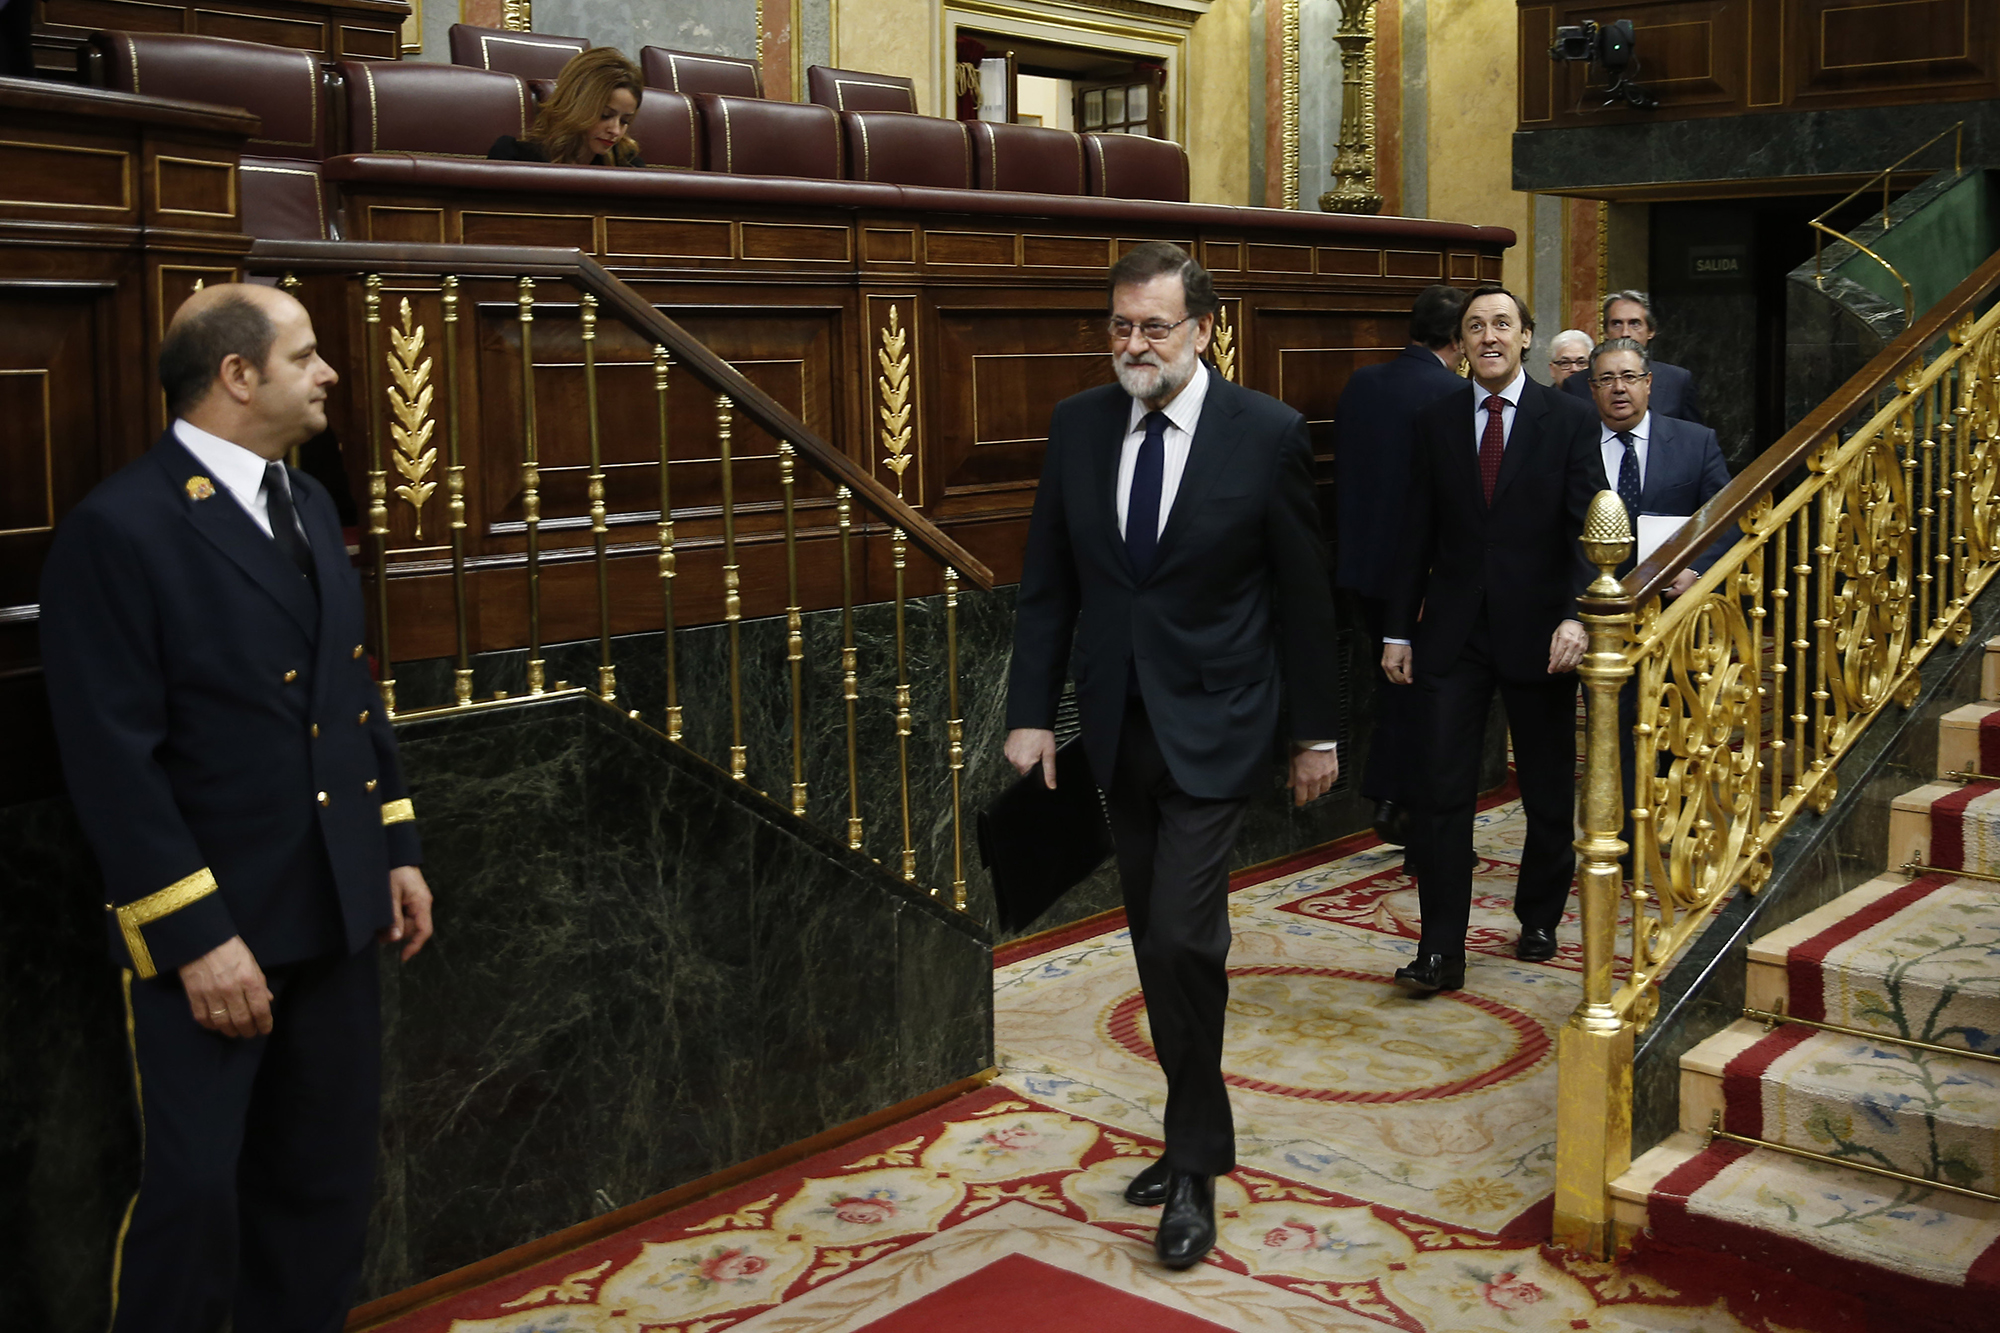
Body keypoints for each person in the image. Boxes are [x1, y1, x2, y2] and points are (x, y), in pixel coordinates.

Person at [38, 282, 435, 1333]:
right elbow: (113, 760)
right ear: (237, 375)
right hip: (219, 938)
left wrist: (392, 843)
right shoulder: (118, 528)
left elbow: (348, 687)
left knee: (323, 1187)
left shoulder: (305, 502)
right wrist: (196, 936)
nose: (330, 374)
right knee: (195, 1197)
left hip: (339, 901)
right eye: (306, 355)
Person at [1004, 242, 1339, 1269]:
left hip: (1219, 721)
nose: (1133, 344)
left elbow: (1300, 596)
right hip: (1115, 726)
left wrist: (1314, 731)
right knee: (1153, 941)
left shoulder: (1267, 433)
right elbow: (1049, 583)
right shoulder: (1077, 425)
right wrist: (1029, 714)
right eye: (1119, 325)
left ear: (1203, 329)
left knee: (1188, 935)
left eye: (1153, 325)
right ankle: (1192, 1127)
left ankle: (1191, 1167)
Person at [1382, 284, 1605, 992]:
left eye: (1502, 324)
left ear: (1526, 337)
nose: (1488, 336)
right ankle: (1440, 949)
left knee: (1544, 787)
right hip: (1452, 636)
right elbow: (1411, 529)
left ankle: (1538, 913)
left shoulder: (1567, 419)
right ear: (1464, 341)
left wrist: (1577, 614)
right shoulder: (1434, 418)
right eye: (1475, 326)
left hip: (1542, 634)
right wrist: (1397, 628)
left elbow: (1589, 528)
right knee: (1442, 790)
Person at [1589, 335, 1732, 864]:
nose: (1618, 389)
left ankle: (1679, 838)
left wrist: (1696, 569)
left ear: (1649, 384)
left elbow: (1727, 517)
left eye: (1628, 377)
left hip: (1677, 619)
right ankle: (1623, 846)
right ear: (1593, 390)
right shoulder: (1573, 442)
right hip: (1603, 619)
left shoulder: (1694, 441)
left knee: (1676, 729)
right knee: (1612, 735)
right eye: (1606, 380)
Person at [1334, 284, 1465, 846]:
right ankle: (1405, 806)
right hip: (1424, 576)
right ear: (1459, 340)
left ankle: (1392, 797)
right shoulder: (1452, 396)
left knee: (1391, 686)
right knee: (1426, 696)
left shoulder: (1363, 382)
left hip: (1362, 567)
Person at [1562, 291, 1703, 424]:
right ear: (1605, 332)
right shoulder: (1576, 385)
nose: (1625, 333)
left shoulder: (1677, 381)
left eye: (1634, 324)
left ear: (1651, 331)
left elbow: (1692, 440)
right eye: (1616, 324)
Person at [488, 47, 646, 166]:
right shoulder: (514, 157)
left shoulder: (628, 163)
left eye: (625, 121)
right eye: (604, 115)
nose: (615, 131)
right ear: (574, 105)